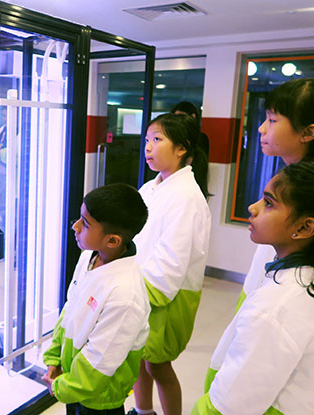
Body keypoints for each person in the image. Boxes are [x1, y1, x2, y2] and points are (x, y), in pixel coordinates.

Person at [192, 162, 314, 415]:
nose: (252, 208)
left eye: (268, 203)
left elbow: (229, 406)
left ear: (304, 227)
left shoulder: (278, 306)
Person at [235, 78, 314, 363]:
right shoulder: (299, 179)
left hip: (285, 310)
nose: (261, 128)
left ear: (308, 132)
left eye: (272, 120)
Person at [42, 183, 151, 415]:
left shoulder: (125, 295)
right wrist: (55, 358)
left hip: (100, 398)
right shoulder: (88, 258)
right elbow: (70, 311)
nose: (75, 226)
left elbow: (100, 359)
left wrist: (63, 387)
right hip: (75, 382)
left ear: (112, 241)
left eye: (86, 224)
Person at [128, 113, 211, 415]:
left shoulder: (187, 196)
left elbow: (172, 257)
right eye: (147, 139)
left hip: (164, 294)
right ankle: (143, 411)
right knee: (137, 354)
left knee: (158, 365)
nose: (148, 147)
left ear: (181, 148)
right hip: (141, 287)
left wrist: (144, 291)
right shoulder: (153, 187)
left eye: (157, 139)